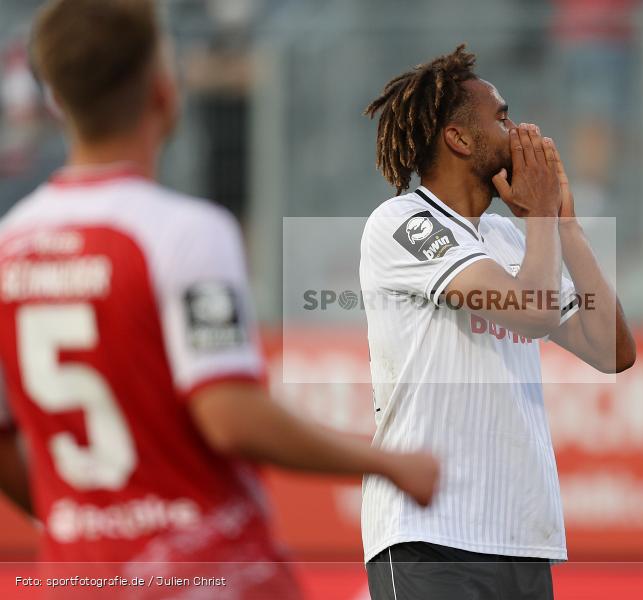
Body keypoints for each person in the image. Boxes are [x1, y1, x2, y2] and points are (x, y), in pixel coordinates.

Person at [0, 0, 438, 597]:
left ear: (56, 100)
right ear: (162, 89)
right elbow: (230, 417)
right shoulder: (185, 232)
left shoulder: (11, 243)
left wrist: (76, 520)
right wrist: (389, 463)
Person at [360, 45, 636, 600]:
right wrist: (537, 219)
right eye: (503, 117)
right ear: (460, 139)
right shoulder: (404, 223)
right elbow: (532, 313)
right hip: (431, 536)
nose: (521, 131)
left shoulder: (510, 238)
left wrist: (565, 225)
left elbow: (613, 351)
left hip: (520, 535)